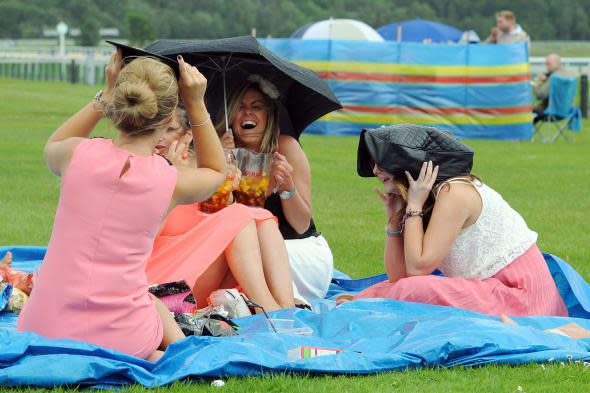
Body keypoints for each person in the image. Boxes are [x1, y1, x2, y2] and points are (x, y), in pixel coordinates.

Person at [18, 51, 228, 362]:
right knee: (152, 300)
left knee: (147, 299)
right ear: (170, 118)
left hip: (43, 328)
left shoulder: (75, 153)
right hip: (121, 336)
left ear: (118, 103)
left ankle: (166, 353)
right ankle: (178, 352)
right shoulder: (169, 180)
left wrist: (106, 92)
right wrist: (196, 103)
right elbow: (216, 172)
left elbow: (53, 144)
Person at [339, 124, 568, 318]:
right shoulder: (429, 196)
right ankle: (370, 303)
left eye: (382, 162)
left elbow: (417, 269)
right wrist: (393, 221)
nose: (376, 170)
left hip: (521, 299)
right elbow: (399, 276)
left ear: (409, 162)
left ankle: (368, 305)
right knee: (405, 288)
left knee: (415, 289)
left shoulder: (453, 192)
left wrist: (414, 207)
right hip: (491, 290)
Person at [147, 104, 295, 313]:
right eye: (155, 128)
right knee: (239, 215)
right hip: (162, 292)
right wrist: (170, 178)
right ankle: (270, 311)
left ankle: (285, 308)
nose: (160, 136)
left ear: (189, 135)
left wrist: (228, 194)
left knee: (261, 217)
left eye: (170, 129)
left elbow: (219, 224)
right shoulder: (146, 170)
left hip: (199, 276)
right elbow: (142, 239)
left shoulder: (204, 170)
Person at [218, 75, 334, 304]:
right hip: (248, 253)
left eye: (256, 107)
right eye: (240, 107)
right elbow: (218, 218)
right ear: (230, 114)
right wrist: (223, 163)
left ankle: (291, 303)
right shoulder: (222, 151)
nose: (248, 114)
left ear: (269, 115)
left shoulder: (284, 146)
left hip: (298, 251)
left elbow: (301, 225)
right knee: (232, 255)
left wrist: (286, 186)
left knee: (245, 258)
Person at [532, 53, 576, 122]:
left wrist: (535, 84)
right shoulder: (570, 75)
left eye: (549, 64)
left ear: (558, 63)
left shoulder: (554, 77)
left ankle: (524, 132)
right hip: (568, 111)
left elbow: (540, 95)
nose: (547, 67)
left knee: (525, 110)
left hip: (551, 112)